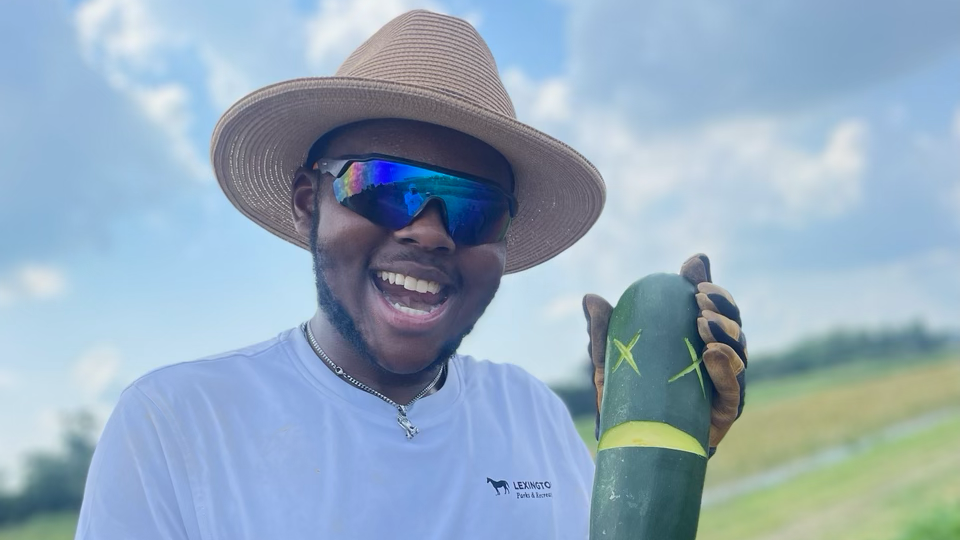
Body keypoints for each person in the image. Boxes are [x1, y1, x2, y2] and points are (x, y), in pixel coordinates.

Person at [75, 10, 747, 540]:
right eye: (383, 186)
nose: (429, 231)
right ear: (310, 202)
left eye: (475, 208)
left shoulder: (531, 411)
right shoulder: (176, 425)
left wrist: (660, 464)